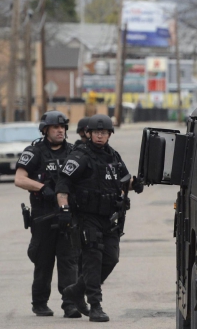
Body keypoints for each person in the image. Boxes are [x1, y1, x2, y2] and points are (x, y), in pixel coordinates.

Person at [56, 114, 144, 322]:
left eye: (104, 132)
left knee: (111, 258)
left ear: (109, 135)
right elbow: (63, 183)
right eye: (96, 132)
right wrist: (64, 208)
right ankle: (95, 305)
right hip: (88, 217)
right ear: (88, 133)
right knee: (93, 260)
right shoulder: (80, 156)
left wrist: (136, 183)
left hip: (110, 217)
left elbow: (124, 180)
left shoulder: (113, 156)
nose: (100, 136)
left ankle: (76, 290)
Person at [14, 111, 81, 318]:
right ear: (45, 130)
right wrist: (42, 187)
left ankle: (70, 304)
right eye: (55, 127)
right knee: (43, 262)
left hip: (66, 215)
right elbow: (19, 178)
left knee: (69, 261)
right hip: (43, 216)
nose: (60, 130)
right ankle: (40, 302)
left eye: (62, 127)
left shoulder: (73, 152)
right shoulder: (35, 152)